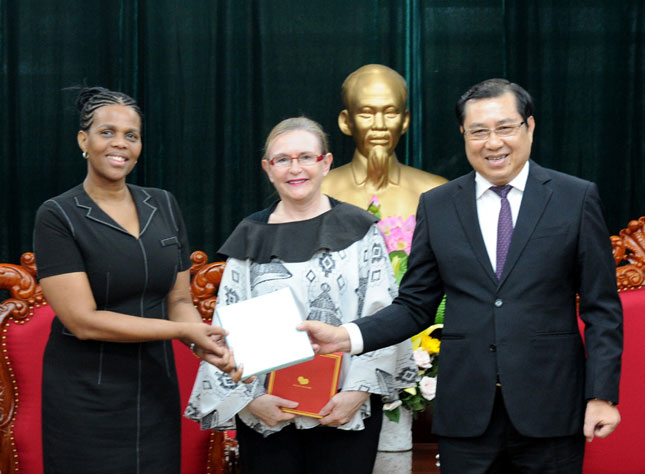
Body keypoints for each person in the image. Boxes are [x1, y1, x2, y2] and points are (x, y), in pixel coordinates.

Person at [299, 79, 623, 474]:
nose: (493, 143)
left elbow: (602, 308)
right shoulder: (438, 205)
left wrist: (602, 395)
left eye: (505, 128)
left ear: (530, 127)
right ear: (464, 135)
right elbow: (415, 305)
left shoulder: (575, 198)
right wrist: (345, 336)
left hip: (552, 409)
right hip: (466, 414)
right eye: (479, 131)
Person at [185, 117, 417, 474]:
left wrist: (357, 393)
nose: (296, 168)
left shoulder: (360, 231)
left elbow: (384, 315)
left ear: (325, 163)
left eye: (306, 157)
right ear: (268, 168)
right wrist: (253, 399)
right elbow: (223, 330)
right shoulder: (250, 236)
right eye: (283, 159)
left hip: (344, 410)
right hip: (267, 415)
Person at [33, 86, 236, 474]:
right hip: (86, 396)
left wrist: (204, 340)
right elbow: (83, 321)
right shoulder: (57, 215)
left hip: (155, 388)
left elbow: (179, 300)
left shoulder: (162, 203)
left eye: (132, 135)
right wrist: (181, 333)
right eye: (107, 132)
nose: (120, 144)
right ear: (84, 140)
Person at [321, 64, 447, 220]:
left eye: (390, 113)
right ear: (346, 122)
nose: (379, 125)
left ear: (405, 121)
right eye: (366, 114)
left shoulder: (436, 192)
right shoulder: (321, 190)